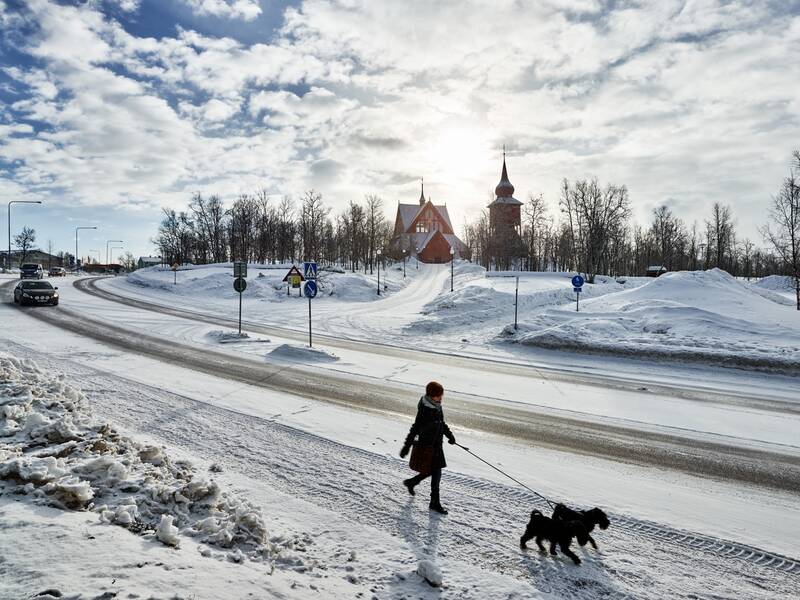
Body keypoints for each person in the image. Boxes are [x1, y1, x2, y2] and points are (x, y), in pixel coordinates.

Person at [400, 381, 456, 515]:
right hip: (427, 446)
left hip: (437, 445)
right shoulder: (425, 410)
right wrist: (406, 446)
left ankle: (412, 482)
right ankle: (434, 502)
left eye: (441, 395)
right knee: (436, 472)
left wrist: (450, 435)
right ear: (431, 396)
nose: (441, 398)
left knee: (433, 471)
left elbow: (441, 423)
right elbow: (415, 428)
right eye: (438, 396)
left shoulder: (437, 406)